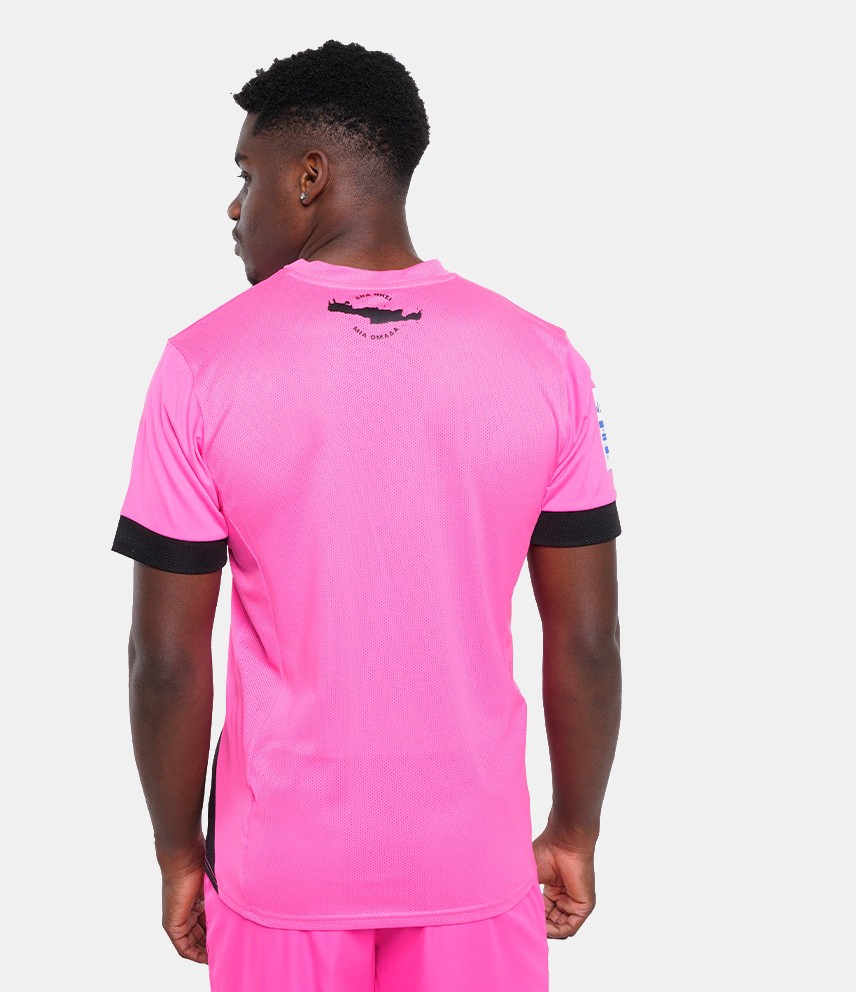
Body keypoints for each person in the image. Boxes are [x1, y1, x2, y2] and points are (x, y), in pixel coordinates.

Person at [112, 39, 621, 992]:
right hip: (477, 867)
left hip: (280, 875)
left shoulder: (200, 367)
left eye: (247, 175)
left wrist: (179, 854)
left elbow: (165, 662)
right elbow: (589, 642)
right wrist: (574, 830)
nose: (234, 207)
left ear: (309, 177)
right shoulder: (545, 360)